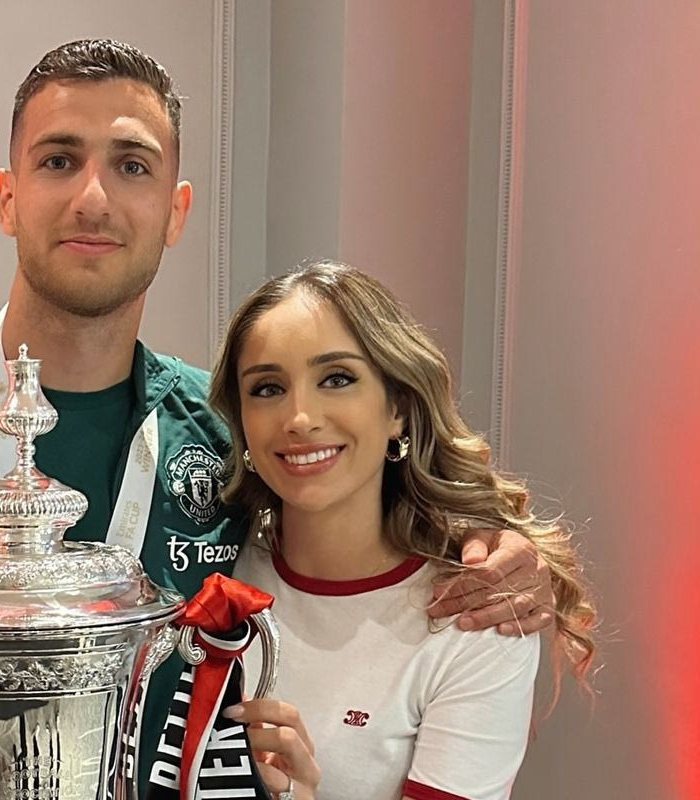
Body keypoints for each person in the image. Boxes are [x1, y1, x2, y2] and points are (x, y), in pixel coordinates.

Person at [0, 41, 553, 799]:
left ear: (176, 212)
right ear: (8, 196)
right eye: (59, 160)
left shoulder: (223, 433)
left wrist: (502, 554)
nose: (94, 198)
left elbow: (355, 525)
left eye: (132, 166)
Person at [206, 261, 596, 800]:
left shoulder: (478, 618)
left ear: (398, 408)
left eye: (336, 379)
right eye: (267, 388)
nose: (299, 418)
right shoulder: (210, 563)